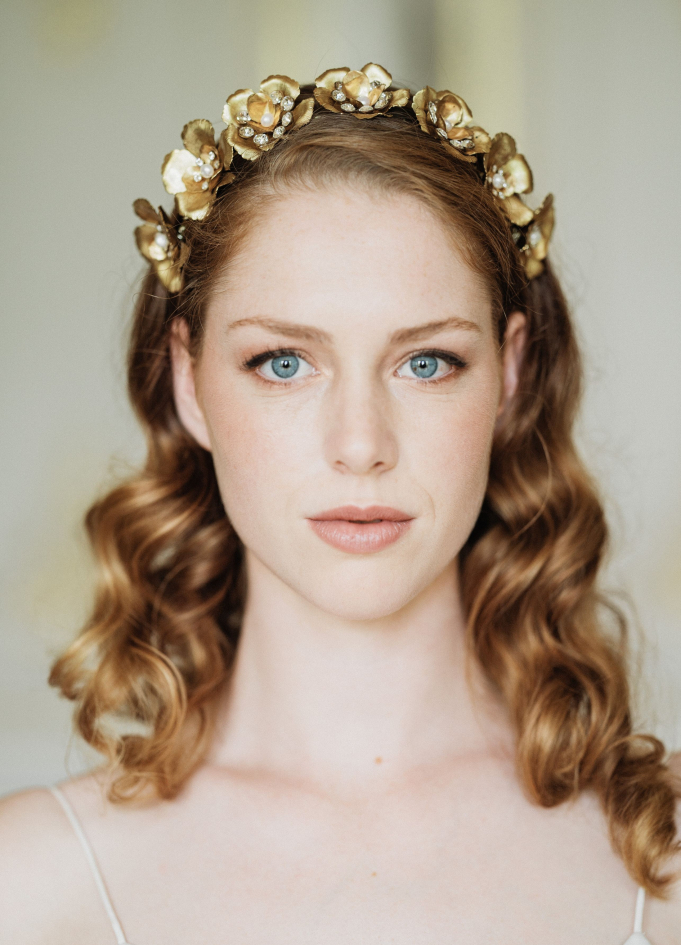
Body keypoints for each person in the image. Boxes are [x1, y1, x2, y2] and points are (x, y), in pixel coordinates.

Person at [0, 63, 679, 945]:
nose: (360, 443)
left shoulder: (655, 863)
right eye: (283, 361)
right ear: (188, 380)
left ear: (509, 374)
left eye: (426, 361)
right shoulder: (33, 881)